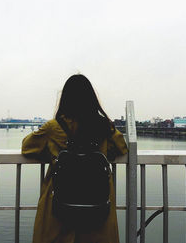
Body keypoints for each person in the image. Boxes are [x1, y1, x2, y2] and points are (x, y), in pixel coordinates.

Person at [22, 74, 128, 243]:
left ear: (65, 98)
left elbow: (27, 147)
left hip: (60, 202)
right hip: (96, 203)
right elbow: (122, 147)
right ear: (92, 99)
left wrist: (51, 153)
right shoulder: (103, 126)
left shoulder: (53, 127)